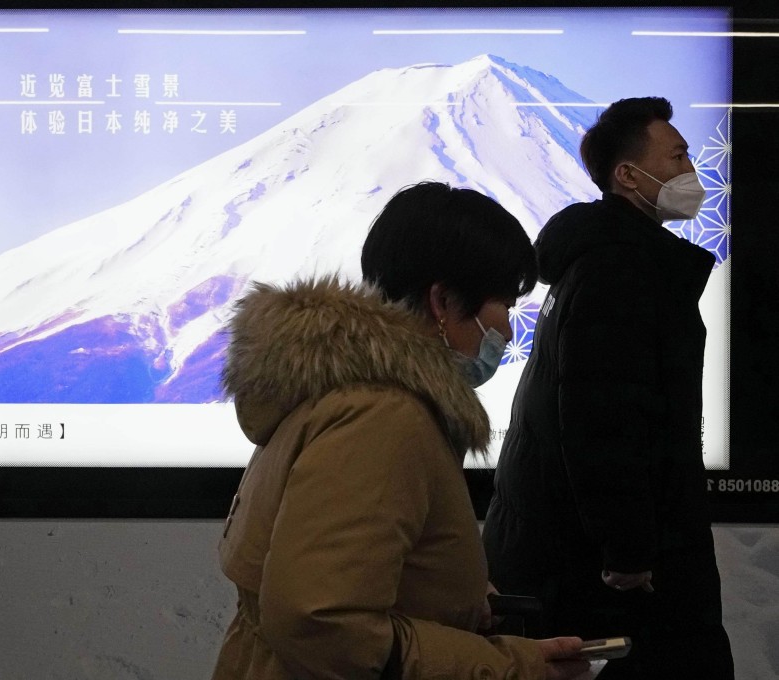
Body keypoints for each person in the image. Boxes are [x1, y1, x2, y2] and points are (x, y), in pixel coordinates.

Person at [212, 181, 591, 680]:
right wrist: (509, 666)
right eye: (504, 304)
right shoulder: (384, 416)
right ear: (443, 300)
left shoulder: (339, 389)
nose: (509, 328)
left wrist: (455, 595)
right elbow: (320, 618)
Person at [482, 97, 734, 679]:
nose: (691, 172)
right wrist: (628, 553)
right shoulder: (621, 269)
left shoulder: (596, 257)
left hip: (559, 552)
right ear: (628, 175)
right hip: (603, 571)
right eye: (676, 156)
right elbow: (605, 422)